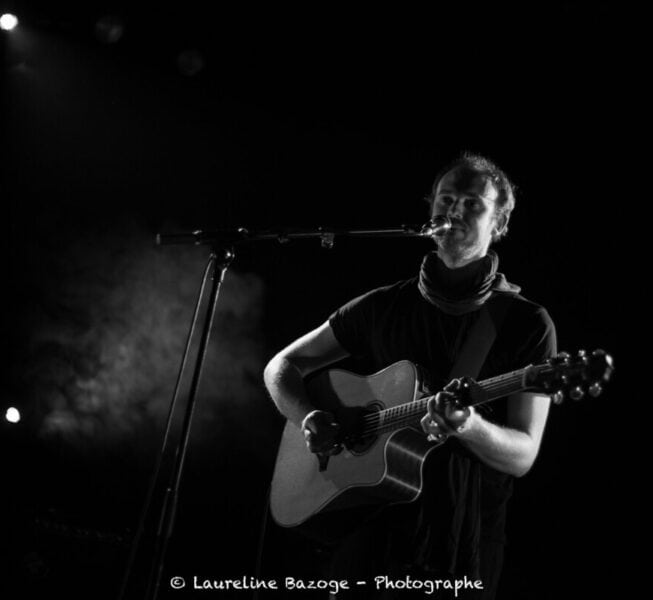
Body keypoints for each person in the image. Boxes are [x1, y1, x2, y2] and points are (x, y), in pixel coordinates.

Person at [263, 153, 557, 599]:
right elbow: (281, 367)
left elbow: (523, 455)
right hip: (369, 532)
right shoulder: (384, 306)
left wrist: (469, 426)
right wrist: (307, 416)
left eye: (472, 204)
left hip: (462, 542)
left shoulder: (525, 324)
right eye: (447, 199)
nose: (455, 210)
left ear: (498, 223)